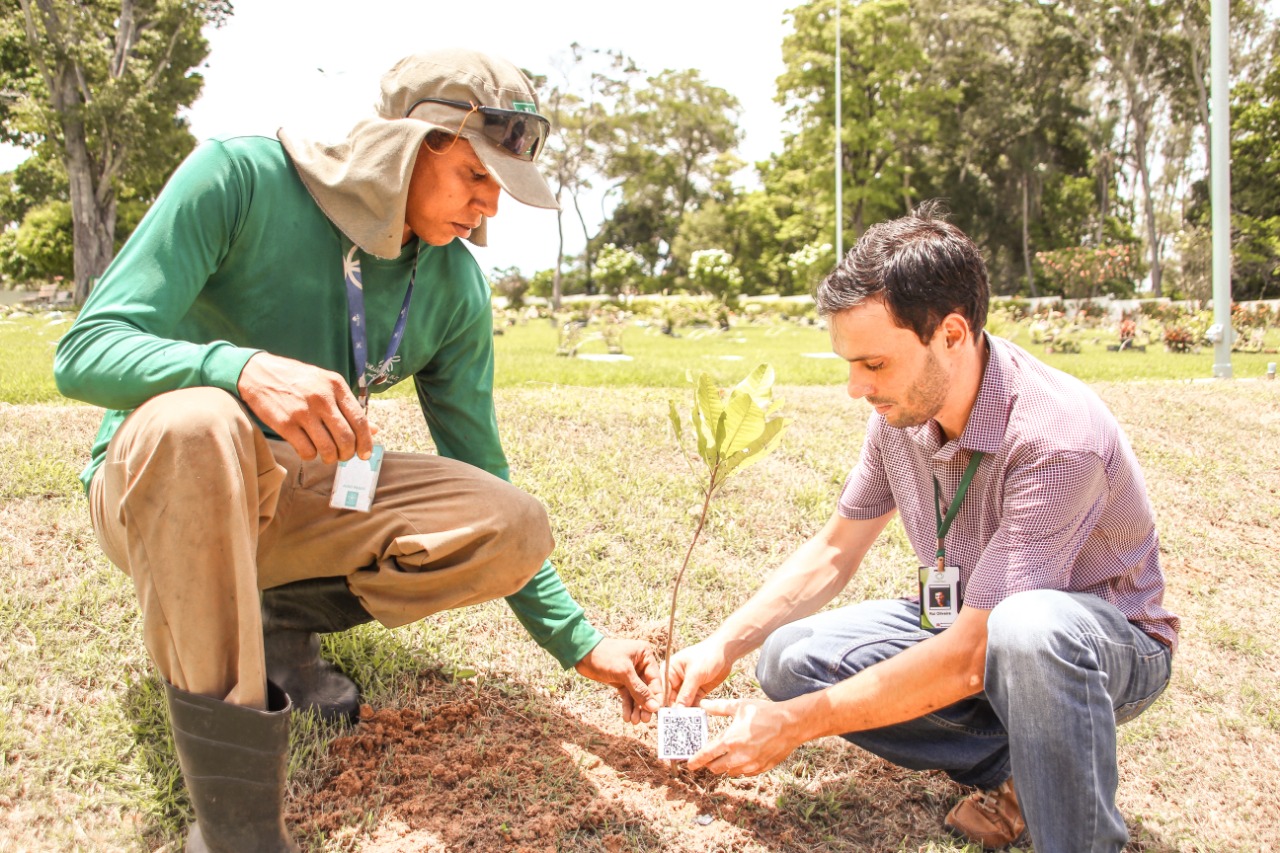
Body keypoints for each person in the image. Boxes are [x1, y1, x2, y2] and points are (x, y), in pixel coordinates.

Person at [54, 49, 659, 852]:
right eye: (478, 181)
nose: (487, 216)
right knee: (200, 422)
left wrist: (579, 642)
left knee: (510, 523)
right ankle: (234, 828)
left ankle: (268, 618)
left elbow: (483, 470)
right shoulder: (238, 178)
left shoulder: (453, 285)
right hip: (162, 488)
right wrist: (236, 369)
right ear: (415, 143)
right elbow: (83, 351)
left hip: (293, 502)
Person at [665, 202, 1178, 853]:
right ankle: (1023, 769)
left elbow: (972, 654)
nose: (855, 387)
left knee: (1028, 630)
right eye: (850, 362)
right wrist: (722, 646)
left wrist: (793, 724)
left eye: (874, 364)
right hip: (967, 621)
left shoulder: (1056, 436)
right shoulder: (901, 413)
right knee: (789, 658)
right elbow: (833, 550)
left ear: (953, 335)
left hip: (1103, 643)